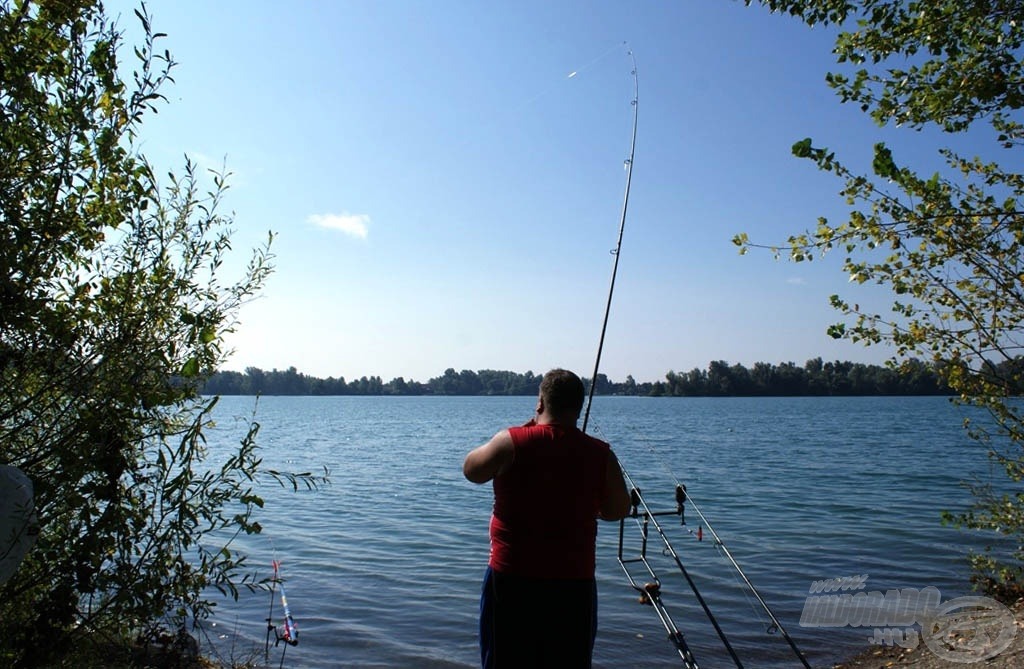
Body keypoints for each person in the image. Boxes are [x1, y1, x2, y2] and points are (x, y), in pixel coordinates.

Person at [463, 368, 631, 669]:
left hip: (511, 582)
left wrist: (521, 433)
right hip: (573, 586)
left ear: (540, 404)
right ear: (578, 409)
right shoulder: (601, 454)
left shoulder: (511, 441)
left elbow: (471, 470)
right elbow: (617, 510)